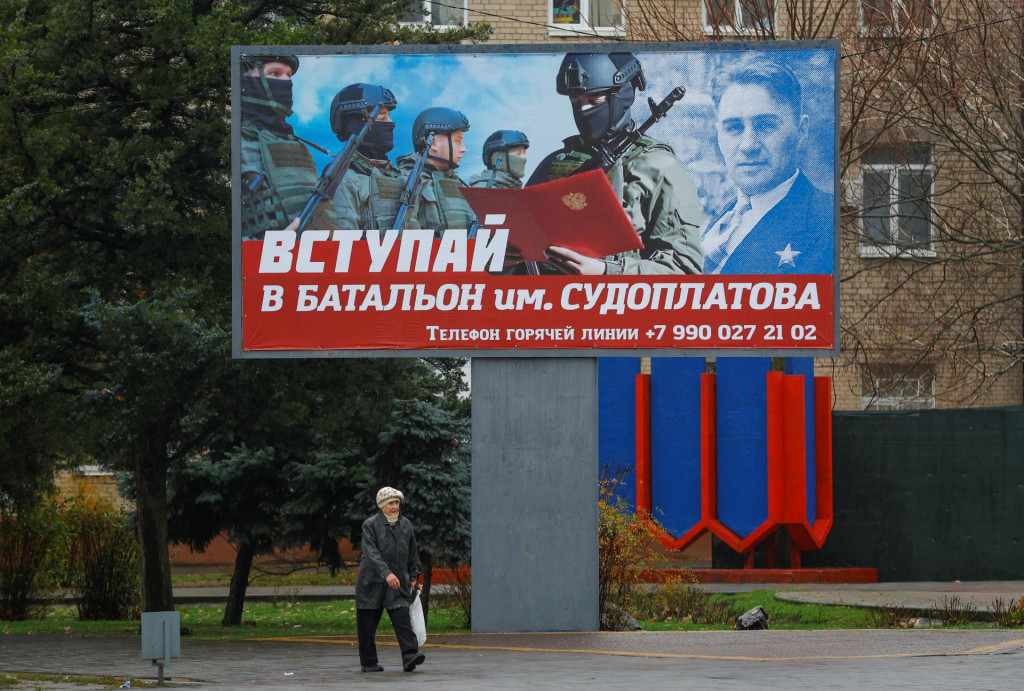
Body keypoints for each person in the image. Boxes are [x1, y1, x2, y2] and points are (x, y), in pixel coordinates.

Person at [525, 52, 704, 275]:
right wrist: (508, 256)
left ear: (623, 97)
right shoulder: (554, 164)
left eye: (594, 101)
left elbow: (684, 269)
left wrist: (606, 271)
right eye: (576, 101)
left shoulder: (660, 168)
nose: (584, 110)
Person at [703, 59, 834, 275]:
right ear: (719, 135)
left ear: (801, 131)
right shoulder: (724, 219)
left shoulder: (827, 225)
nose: (748, 145)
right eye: (734, 128)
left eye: (765, 126)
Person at [239, 55, 336, 239]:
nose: (286, 82)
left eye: (289, 75)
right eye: (275, 73)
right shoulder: (238, 140)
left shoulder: (296, 145)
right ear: (246, 82)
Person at [356, 487, 425, 673]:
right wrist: (386, 573)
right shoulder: (370, 525)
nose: (395, 507)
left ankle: (410, 655)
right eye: (390, 503)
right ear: (382, 506)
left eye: (397, 503)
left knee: (402, 618)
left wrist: (412, 577)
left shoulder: (406, 525)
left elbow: (412, 553)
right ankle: (369, 662)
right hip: (371, 583)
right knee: (367, 625)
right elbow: (371, 554)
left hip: (398, 582)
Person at [330, 83, 417, 231]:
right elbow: (345, 246)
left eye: (389, 116)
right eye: (382, 118)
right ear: (356, 124)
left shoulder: (401, 177)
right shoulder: (345, 178)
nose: (391, 124)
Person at [396, 107, 478, 234]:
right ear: (433, 143)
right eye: (458, 141)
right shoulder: (408, 181)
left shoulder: (457, 183)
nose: (463, 149)